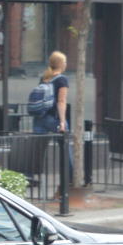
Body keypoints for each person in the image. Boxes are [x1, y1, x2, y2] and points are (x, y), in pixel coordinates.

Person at [33, 50, 72, 188]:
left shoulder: (44, 78)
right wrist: (62, 121)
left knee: (36, 150)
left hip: (40, 118)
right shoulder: (62, 79)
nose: (66, 64)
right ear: (61, 64)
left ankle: (30, 177)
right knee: (66, 150)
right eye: (65, 61)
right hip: (54, 119)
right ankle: (69, 181)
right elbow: (61, 101)